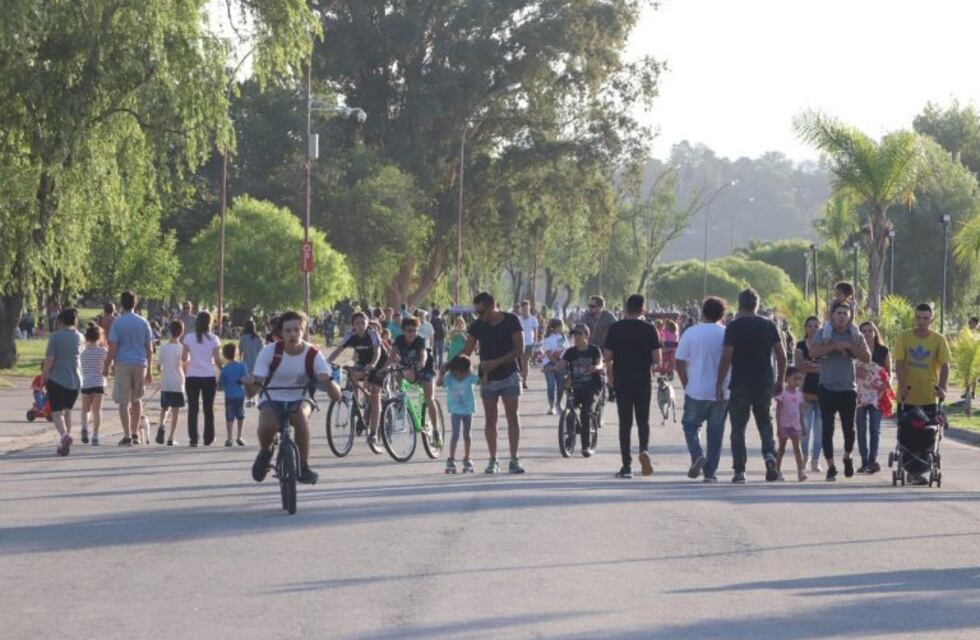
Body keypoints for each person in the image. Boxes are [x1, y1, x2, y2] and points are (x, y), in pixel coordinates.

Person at [246, 310, 340, 485]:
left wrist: (327, 381)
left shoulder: (313, 354)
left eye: (297, 330)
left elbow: (336, 396)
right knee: (268, 426)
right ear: (281, 333)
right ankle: (265, 453)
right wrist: (248, 383)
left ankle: (303, 466)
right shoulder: (269, 352)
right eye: (288, 330)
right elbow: (252, 392)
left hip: (301, 397)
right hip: (272, 396)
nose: (293, 334)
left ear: (303, 330)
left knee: (299, 416)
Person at [716, 288, 783, 484]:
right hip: (764, 382)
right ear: (757, 304)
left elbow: (726, 357)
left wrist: (719, 384)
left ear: (740, 304)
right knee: (765, 423)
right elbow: (781, 355)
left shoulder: (734, 326)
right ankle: (770, 457)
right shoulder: (768, 325)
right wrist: (780, 380)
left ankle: (739, 470)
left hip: (740, 384)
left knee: (738, 428)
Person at [461, 292, 525, 474]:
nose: (479, 316)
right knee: (490, 418)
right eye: (476, 312)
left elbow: (519, 349)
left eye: (481, 312)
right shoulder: (478, 325)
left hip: (509, 375)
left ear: (492, 306)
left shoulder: (511, 320)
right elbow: (467, 349)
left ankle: (514, 459)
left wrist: (497, 362)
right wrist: (450, 365)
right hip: (487, 378)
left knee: (512, 416)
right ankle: (493, 459)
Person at [807, 301, 871, 481]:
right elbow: (813, 352)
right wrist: (834, 347)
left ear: (850, 316)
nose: (842, 316)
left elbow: (867, 357)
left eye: (845, 313)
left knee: (849, 429)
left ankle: (847, 456)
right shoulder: (824, 333)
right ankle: (831, 466)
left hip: (848, 388)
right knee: (827, 429)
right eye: (839, 313)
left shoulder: (855, 335)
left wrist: (849, 346)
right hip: (826, 387)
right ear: (832, 315)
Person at [603, 293, 662, 478]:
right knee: (643, 420)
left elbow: (607, 356)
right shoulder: (650, 328)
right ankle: (644, 449)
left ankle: (626, 466)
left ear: (626, 309)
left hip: (622, 379)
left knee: (625, 423)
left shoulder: (615, 328)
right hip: (643, 379)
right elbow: (657, 358)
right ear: (642, 309)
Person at [894, 303, 950, 484]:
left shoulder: (938, 339)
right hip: (908, 397)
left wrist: (942, 388)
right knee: (909, 436)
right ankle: (911, 471)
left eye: (926, 318)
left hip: (929, 396)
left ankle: (921, 469)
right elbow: (899, 363)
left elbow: (945, 366)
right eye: (918, 317)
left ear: (931, 320)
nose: (921, 321)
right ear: (914, 318)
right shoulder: (904, 337)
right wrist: (903, 385)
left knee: (927, 436)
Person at [676, 296, 729, 483]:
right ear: (722, 314)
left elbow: (679, 361)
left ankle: (697, 454)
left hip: (696, 389)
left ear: (703, 312)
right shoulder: (726, 333)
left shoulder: (691, 333)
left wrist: (685, 382)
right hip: (721, 391)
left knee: (690, 425)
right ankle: (710, 473)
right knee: (716, 433)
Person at [327, 311, 388, 449]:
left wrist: (373, 364)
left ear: (367, 323)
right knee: (351, 376)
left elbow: (377, 352)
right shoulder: (351, 335)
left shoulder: (372, 334)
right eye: (357, 323)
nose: (360, 326)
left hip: (378, 363)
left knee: (375, 394)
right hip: (363, 361)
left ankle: (373, 433)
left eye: (363, 323)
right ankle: (356, 406)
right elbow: (339, 350)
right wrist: (328, 362)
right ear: (353, 325)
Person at [104, 291, 154, 446]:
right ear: (135, 303)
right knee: (137, 399)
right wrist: (149, 370)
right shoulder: (143, 322)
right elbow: (149, 348)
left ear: (121, 303)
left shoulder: (118, 323)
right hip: (140, 364)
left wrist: (107, 365)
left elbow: (113, 347)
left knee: (123, 401)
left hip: (123, 363)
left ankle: (126, 434)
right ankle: (135, 433)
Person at [43, 308, 84, 456]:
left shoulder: (56, 337)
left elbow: (49, 359)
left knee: (56, 413)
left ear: (60, 321)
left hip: (57, 378)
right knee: (68, 411)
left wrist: (45, 376)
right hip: (75, 380)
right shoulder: (80, 337)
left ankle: (64, 436)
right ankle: (65, 442)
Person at [391, 317, 440, 438]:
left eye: (414, 330)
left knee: (429, 399)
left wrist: (422, 362)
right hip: (410, 370)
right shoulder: (399, 340)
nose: (412, 333)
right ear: (403, 330)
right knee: (397, 372)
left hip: (426, 370)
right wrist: (384, 367)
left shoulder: (420, 340)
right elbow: (392, 355)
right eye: (409, 330)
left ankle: (435, 430)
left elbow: (423, 354)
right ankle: (401, 400)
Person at [561, 323, 604, 457]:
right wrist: (553, 367)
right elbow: (562, 364)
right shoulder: (570, 352)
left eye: (579, 334)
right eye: (575, 334)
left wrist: (596, 368)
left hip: (592, 387)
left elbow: (601, 363)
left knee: (586, 413)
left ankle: (586, 446)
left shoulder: (594, 350)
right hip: (575, 387)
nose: (577, 337)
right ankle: (569, 441)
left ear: (587, 335)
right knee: (569, 412)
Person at [856, 321, 892, 474]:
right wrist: (856, 372)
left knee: (874, 428)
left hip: (877, 394)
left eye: (870, 331)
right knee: (861, 428)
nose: (867, 334)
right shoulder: (855, 350)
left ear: (875, 333)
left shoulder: (883, 351)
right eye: (864, 331)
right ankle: (864, 460)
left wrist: (886, 384)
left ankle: (872, 460)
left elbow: (889, 372)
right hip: (859, 393)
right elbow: (848, 368)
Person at [182, 311, 221, 447]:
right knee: (208, 408)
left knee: (193, 408)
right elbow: (217, 359)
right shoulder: (214, 339)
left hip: (192, 375)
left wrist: (189, 360)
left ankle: (193, 438)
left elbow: (184, 358)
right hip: (208, 376)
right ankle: (208, 437)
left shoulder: (189, 337)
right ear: (209, 323)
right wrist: (222, 368)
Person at [794, 317, 823, 472]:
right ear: (805, 328)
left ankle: (816, 460)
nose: (813, 329)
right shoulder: (800, 346)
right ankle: (804, 457)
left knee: (820, 430)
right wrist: (816, 366)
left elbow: (827, 367)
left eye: (816, 326)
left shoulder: (825, 345)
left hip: (824, 393)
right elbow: (799, 366)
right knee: (804, 429)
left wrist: (811, 365)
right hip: (805, 393)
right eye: (810, 326)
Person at [441, 355, 479, 474]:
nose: (459, 377)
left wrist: (484, 370)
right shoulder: (449, 378)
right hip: (456, 411)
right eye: (456, 374)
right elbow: (439, 383)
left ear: (467, 371)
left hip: (468, 410)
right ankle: (451, 458)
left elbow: (481, 381)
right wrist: (441, 373)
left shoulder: (470, 377)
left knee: (467, 435)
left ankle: (467, 457)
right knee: (455, 435)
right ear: (452, 372)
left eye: (462, 374)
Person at [775, 367, 808, 482]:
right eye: (795, 378)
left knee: (797, 448)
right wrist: (778, 426)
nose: (797, 381)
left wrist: (802, 425)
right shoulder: (782, 394)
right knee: (781, 449)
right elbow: (778, 411)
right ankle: (777, 471)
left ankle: (801, 471)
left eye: (799, 379)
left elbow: (801, 411)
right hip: (784, 425)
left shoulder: (799, 395)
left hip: (795, 425)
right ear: (787, 379)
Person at [156, 320, 187, 446]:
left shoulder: (163, 348)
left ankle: (162, 424)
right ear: (181, 332)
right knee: (175, 410)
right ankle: (171, 437)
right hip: (178, 382)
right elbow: (185, 365)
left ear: (170, 331)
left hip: (166, 382)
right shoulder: (182, 348)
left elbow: (159, 367)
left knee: (164, 408)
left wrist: (163, 371)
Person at [79, 324, 108, 445]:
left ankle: (84, 427)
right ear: (99, 337)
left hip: (86, 383)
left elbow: (81, 367)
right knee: (97, 411)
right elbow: (108, 365)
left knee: (85, 410)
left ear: (87, 337)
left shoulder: (83, 352)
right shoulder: (102, 351)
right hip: (99, 383)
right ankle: (95, 436)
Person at [219, 343, 248, 447]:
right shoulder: (242, 366)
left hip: (229, 396)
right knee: (241, 416)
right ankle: (239, 436)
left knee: (229, 417)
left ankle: (229, 437)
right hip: (240, 395)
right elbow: (246, 379)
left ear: (225, 355)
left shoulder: (225, 369)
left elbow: (221, 384)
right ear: (236, 353)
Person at [541, 318, 568, 415]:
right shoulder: (548, 338)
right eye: (561, 326)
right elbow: (548, 353)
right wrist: (555, 362)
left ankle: (558, 404)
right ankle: (551, 406)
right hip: (549, 364)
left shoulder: (563, 336)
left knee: (561, 385)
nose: (562, 328)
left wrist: (562, 358)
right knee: (551, 385)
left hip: (561, 363)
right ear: (556, 327)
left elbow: (566, 349)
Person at [517, 300, 539, 390]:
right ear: (521, 309)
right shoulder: (518, 319)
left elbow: (536, 330)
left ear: (529, 308)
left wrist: (535, 341)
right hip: (520, 342)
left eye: (527, 308)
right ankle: (522, 378)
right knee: (522, 362)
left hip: (530, 342)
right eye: (524, 308)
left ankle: (524, 381)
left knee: (525, 362)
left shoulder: (533, 319)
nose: (526, 310)